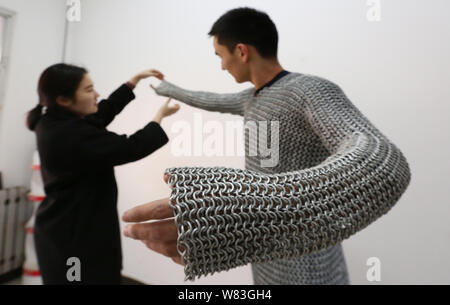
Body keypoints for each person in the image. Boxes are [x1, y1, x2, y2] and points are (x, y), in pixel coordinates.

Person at [122, 7, 411, 284]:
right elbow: (208, 99)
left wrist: (268, 206)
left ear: (241, 51)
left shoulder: (309, 90)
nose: (221, 65)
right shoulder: (251, 99)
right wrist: (167, 89)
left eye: (220, 56)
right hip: (262, 249)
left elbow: (382, 159)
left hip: (308, 258)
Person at [26, 63, 179, 284]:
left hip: (72, 228)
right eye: (89, 90)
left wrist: (132, 81)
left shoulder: (54, 120)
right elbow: (131, 147)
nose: (96, 94)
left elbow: (100, 115)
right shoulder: (69, 134)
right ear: (64, 100)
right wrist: (159, 116)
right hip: (73, 241)